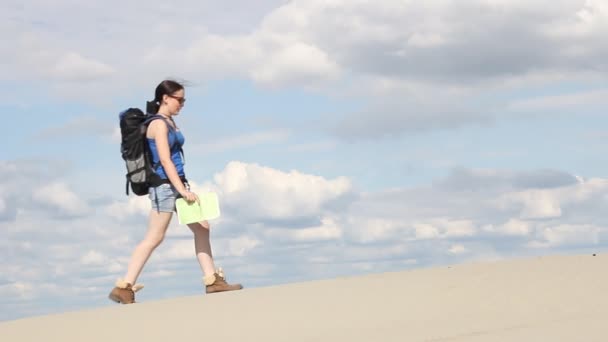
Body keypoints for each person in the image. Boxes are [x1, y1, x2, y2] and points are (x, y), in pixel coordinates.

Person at [109, 79, 243, 304]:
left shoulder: (169, 122)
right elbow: (164, 159)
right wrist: (182, 190)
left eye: (184, 100)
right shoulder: (159, 124)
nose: (182, 104)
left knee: (202, 227)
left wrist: (182, 186)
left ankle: (212, 281)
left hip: (175, 184)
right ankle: (125, 287)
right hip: (164, 187)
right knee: (154, 237)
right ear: (165, 98)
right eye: (179, 100)